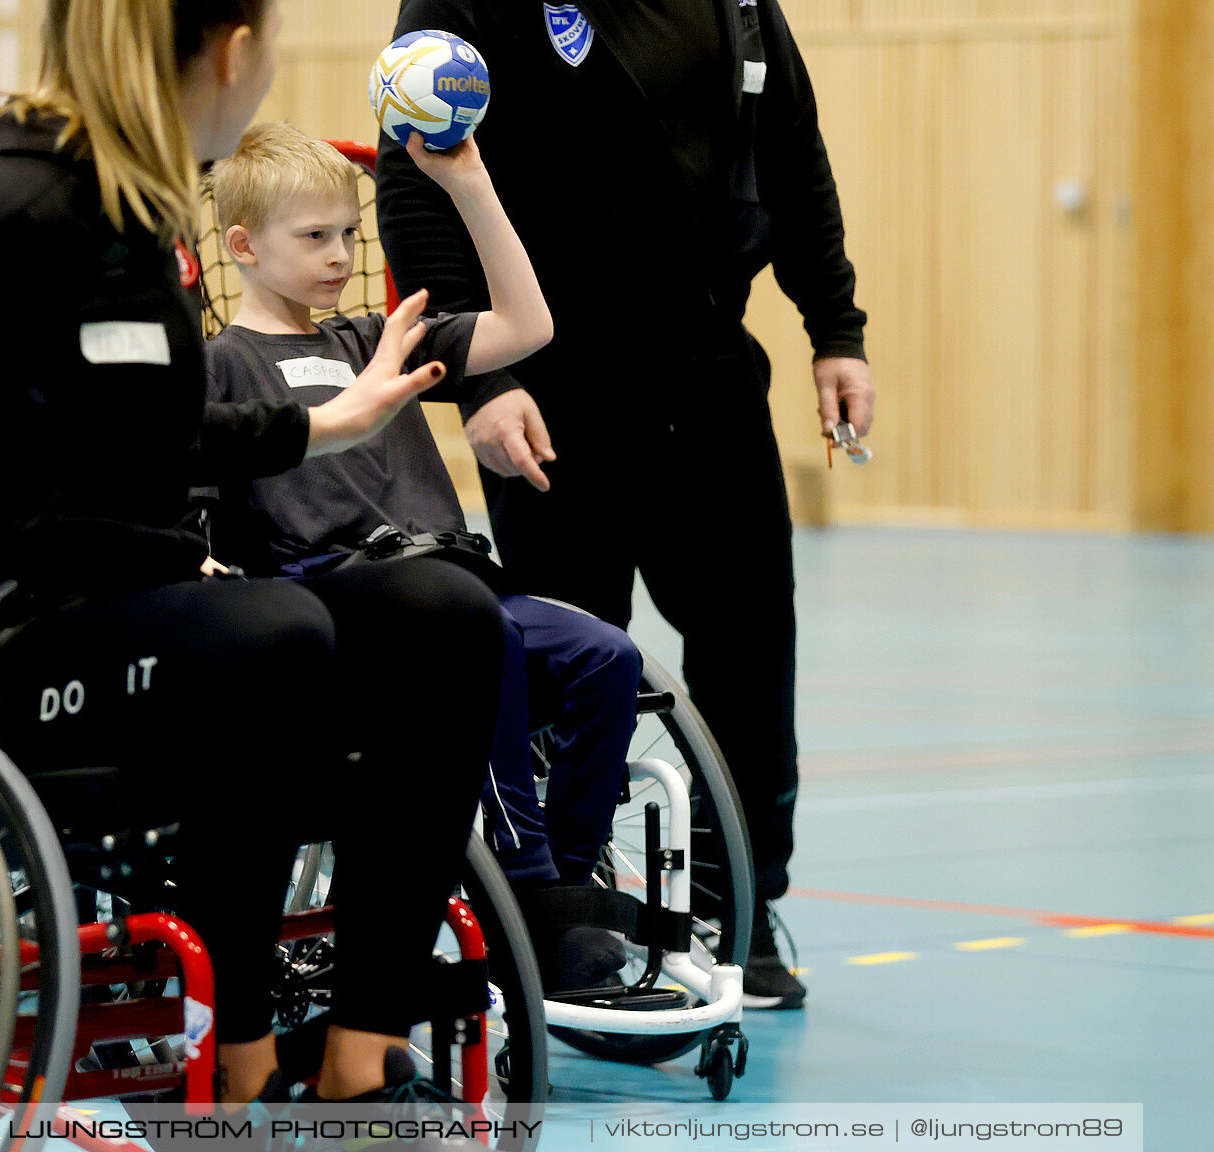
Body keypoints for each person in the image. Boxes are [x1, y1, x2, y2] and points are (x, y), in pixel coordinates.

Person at [0, 0, 505, 1119]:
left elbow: (145, 426)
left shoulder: (137, 215)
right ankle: (231, 1066)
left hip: (117, 618)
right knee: (278, 636)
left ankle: (357, 1065)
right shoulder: (0, 204)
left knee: (445, 613)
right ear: (233, 51)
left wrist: (331, 422)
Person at [375, 0, 878, 1010]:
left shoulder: (737, 2)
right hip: (549, 391)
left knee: (748, 657)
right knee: (570, 663)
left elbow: (792, 152)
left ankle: (738, 904)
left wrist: (836, 327)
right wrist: (477, 377)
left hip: (710, 383)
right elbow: (414, 174)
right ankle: (566, 909)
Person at [202, 122, 639, 992]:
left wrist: (471, 183)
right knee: (485, 641)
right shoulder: (221, 366)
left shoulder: (375, 339)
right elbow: (198, 510)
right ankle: (525, 890)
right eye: (314, 237)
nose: (339, 256)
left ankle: (560, 885)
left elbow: (529, 324)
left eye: (349, 235)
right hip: (347, 609)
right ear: (243, 246)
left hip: (456, 575)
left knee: (607, 655)